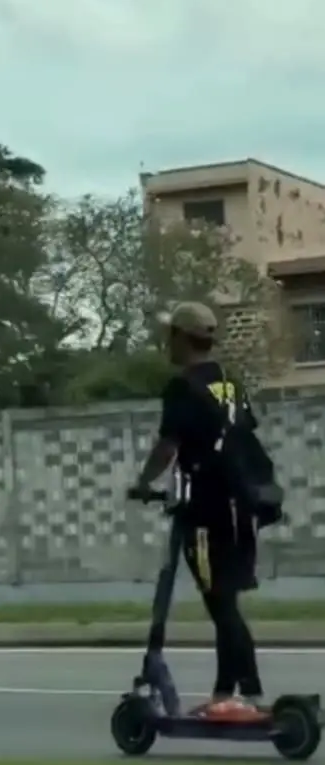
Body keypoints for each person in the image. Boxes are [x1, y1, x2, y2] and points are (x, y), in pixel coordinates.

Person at [129, 301, 265, 719]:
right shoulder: (230, 382)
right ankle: (227, 691)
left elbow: (169, 446)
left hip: (205, 511)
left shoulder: (182, 386)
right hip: (243, 506)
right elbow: (243, 431)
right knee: (227, 600)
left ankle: (248, 691)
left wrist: (142, 483)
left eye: (170, 334)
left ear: (182, 339)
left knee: (220, 602)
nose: (165, 342)